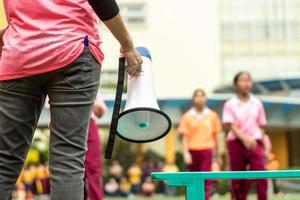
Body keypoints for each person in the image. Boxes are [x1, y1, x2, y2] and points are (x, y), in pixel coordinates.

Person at [0, 0, 142, 199]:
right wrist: (127, 45)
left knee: (3, 161)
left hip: (20, 52)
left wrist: (17, 31)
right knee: (67, 159)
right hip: (72, 49)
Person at [223, 71, 268, 200]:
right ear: (236, 84)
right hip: (236, 143)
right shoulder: (229, 104)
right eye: (242, 80)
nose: (246, 83)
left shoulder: (257, 103)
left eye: (248, 80)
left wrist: (265, 148)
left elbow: (261, 126)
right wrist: (244, 138)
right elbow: (231, 125)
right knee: (238, 180)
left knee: (261, 176)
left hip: (255, 143)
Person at [178, 88, 222, 200]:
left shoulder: (213, 115)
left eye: (202, 96)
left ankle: (205, 198)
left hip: (207, 150)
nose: (200, 98)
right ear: (193, 99)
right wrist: (185, 153)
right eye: (197, 96)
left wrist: (218, 155)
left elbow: (216, 136)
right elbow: (184, 137)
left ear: (205, 98)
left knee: (206, 178)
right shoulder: (187, 116)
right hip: (192, 151)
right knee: (193, 179)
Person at [84, 92, 107, 200]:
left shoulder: (91, 79)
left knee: (93, 167)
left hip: (88, 123)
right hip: (65, 123)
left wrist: (84, 97)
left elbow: (100, 112)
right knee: (69, 170)